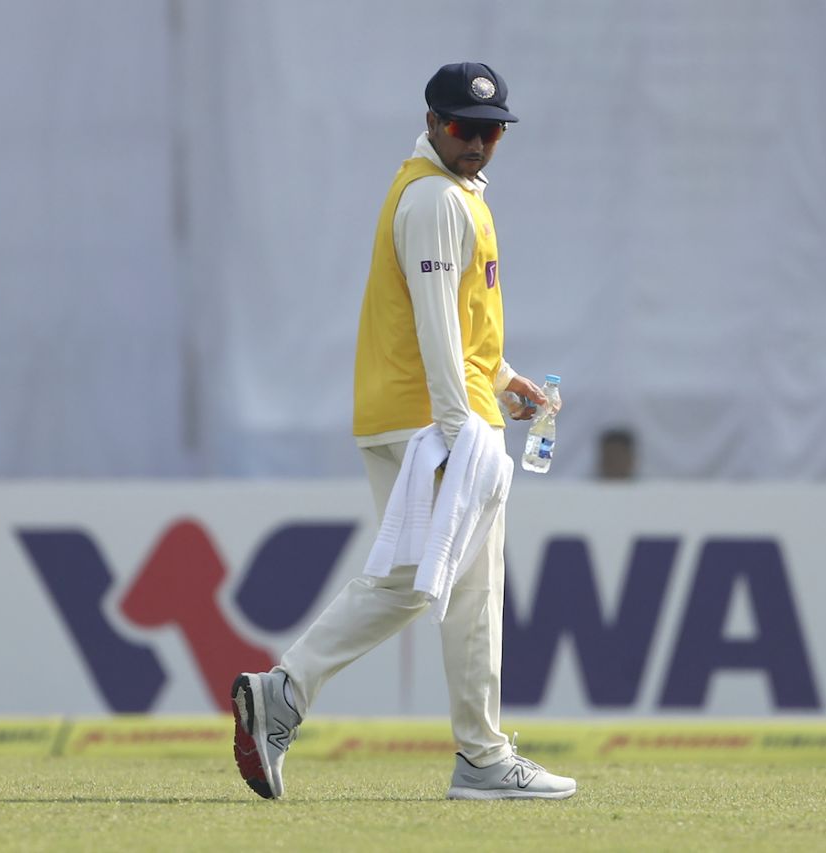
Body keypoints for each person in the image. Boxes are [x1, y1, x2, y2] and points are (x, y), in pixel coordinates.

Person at [230, 62, 577, 802]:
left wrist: (503, 377)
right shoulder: (431, 200)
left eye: (491, 131)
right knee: (427, 580)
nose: (478, 142)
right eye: (463, 127)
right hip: (430, 421)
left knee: (459, 584)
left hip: (436, 414)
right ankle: (287, 693)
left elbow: (463, 324)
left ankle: (478, 753)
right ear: (430, 123)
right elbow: (435, 324)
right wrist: (460, 426)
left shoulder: (451, 195)